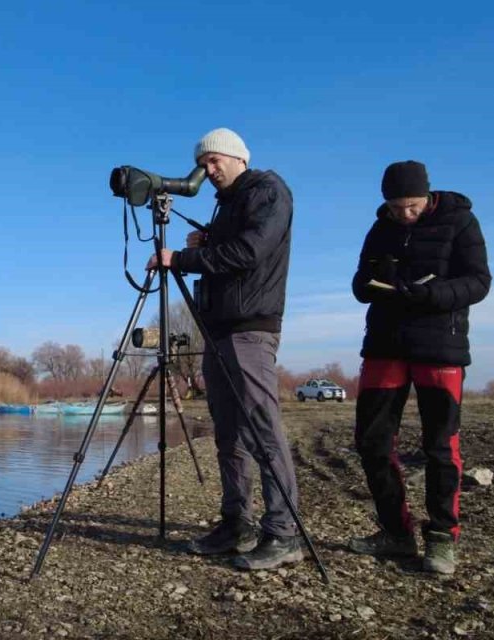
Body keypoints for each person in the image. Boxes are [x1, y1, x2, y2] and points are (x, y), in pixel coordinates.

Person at [147, 128, 301, 571]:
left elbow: (249, 252)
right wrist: (207, 241)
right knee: (228, 431)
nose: (208, 171)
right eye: (204, 163)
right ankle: (237, 524)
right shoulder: (230, 201)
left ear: (236, 157)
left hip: (250, 329)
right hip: (217, 327)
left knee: (261, 428)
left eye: (214, 161)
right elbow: (230, 249)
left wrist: (183, 258)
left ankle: (284, 533)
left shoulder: (268, 190)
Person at [348, 160, 491, 574]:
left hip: (440, 347)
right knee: (372, 443)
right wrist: (376, 279)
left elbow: (480, 281)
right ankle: (396, 533)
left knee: (440, 447)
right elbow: (359, 285)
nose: (404, 214)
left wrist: (433, 294)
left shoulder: (461, 222)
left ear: (426, 196)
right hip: (384, 345)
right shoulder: (380, 228)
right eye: (395, 207)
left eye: (410, 206)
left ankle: (443, 539)